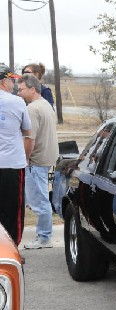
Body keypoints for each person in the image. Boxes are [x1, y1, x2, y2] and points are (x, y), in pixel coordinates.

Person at [17, 74, 59, 249]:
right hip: (46, 158)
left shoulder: (32, 109)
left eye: (21, 89)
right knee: (40, 198)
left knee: (39, 201)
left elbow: (29, 139)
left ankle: (44, 237)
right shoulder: (46, 104)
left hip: (36, 161)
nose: (18, 93)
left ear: (32, 89)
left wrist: (25, 159)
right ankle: (44, 235)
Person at [0, 64, 32, 245]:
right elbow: (27, 131)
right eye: (12, 80)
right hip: (12, 164)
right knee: (12, 211)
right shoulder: (17, 102)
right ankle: (11, 250)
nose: (14, 85)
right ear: (4, 81)